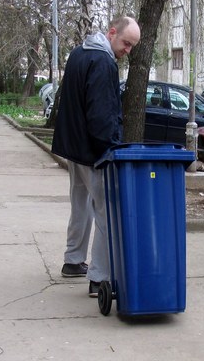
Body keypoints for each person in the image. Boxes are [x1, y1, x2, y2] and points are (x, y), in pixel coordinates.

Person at [52, 16, 141, 297]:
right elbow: (102, 115)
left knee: (81, 205)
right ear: (112, 32)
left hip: (73, 149)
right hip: (94, 152)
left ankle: (73, 260)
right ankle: (99, 278)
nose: (127, 50)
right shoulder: (104, 63)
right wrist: (112, 148)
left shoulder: (78, 54)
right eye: (126, 43)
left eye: (132, 46)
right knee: (106, 212)